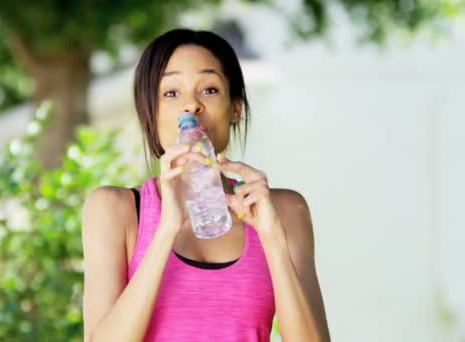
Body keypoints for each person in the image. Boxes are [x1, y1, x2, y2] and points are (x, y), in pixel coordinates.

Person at [81, 29, 330, 342]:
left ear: (235, 108)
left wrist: (272, 240)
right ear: (150, 112)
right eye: (171, 93)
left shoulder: (284, 210)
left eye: (209, 89)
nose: (191, 106)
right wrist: (165, 230)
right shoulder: (114, 210)